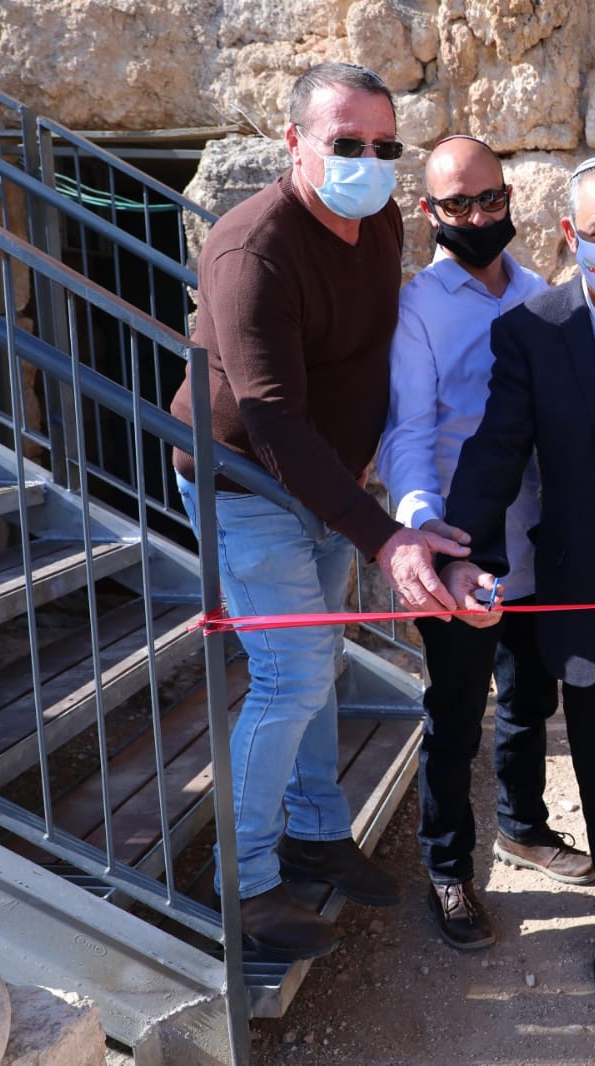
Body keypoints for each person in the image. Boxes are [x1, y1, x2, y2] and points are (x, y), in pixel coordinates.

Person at [169, 62, 469, 962]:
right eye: (346, 143)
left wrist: (370, 470)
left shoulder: (379, 219)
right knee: (292, 674)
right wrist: (382, 536)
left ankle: (317, 833)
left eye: (384, 145)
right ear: (293, 141)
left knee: (318, 662)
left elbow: (367, 350)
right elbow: (270, 418)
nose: (368, 161)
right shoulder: (251, 250)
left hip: (327, 481)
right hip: (245, 484)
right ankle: (244, 883)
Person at [437, 152, 595, 1002]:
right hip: (593, 595)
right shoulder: (534, 331)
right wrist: (464, 552)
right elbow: (496, 450)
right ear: (569, 235)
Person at [374, 134, 592, 953]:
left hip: (538, 537)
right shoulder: (418, 307)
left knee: (530, 700)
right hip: (460, 540)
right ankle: (447, 867)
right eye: (457, 204)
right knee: (456, 711)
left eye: (488, 199)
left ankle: (522, 827)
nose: (475, 216)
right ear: (428, 210)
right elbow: (409, 428)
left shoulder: (541, 296)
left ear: (509, 198)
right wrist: (426, 527)